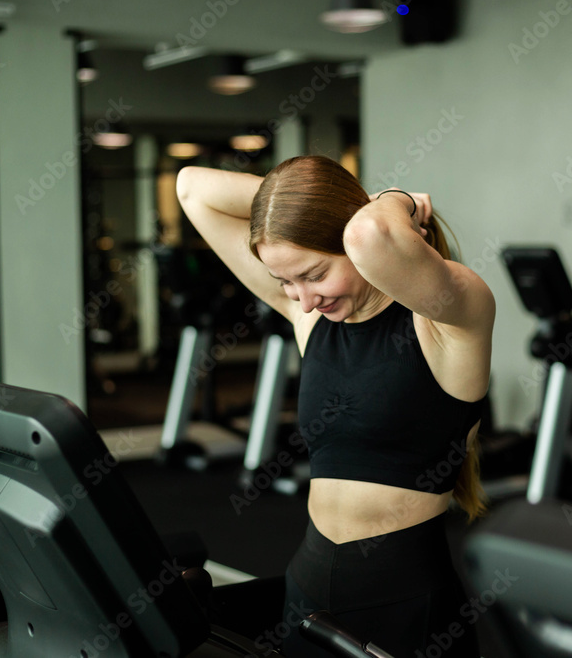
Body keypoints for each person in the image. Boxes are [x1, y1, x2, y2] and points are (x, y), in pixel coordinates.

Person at [176, 155, 494, 657]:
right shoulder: (312, 321)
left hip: (404, 604)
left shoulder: (450, 322)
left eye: (315, 274)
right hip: (306, 591)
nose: (303, 300)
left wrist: (392, 200)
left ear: (349, 239)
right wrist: (301, 210)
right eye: (285, 281)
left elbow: (372, 233)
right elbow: (192, 188)